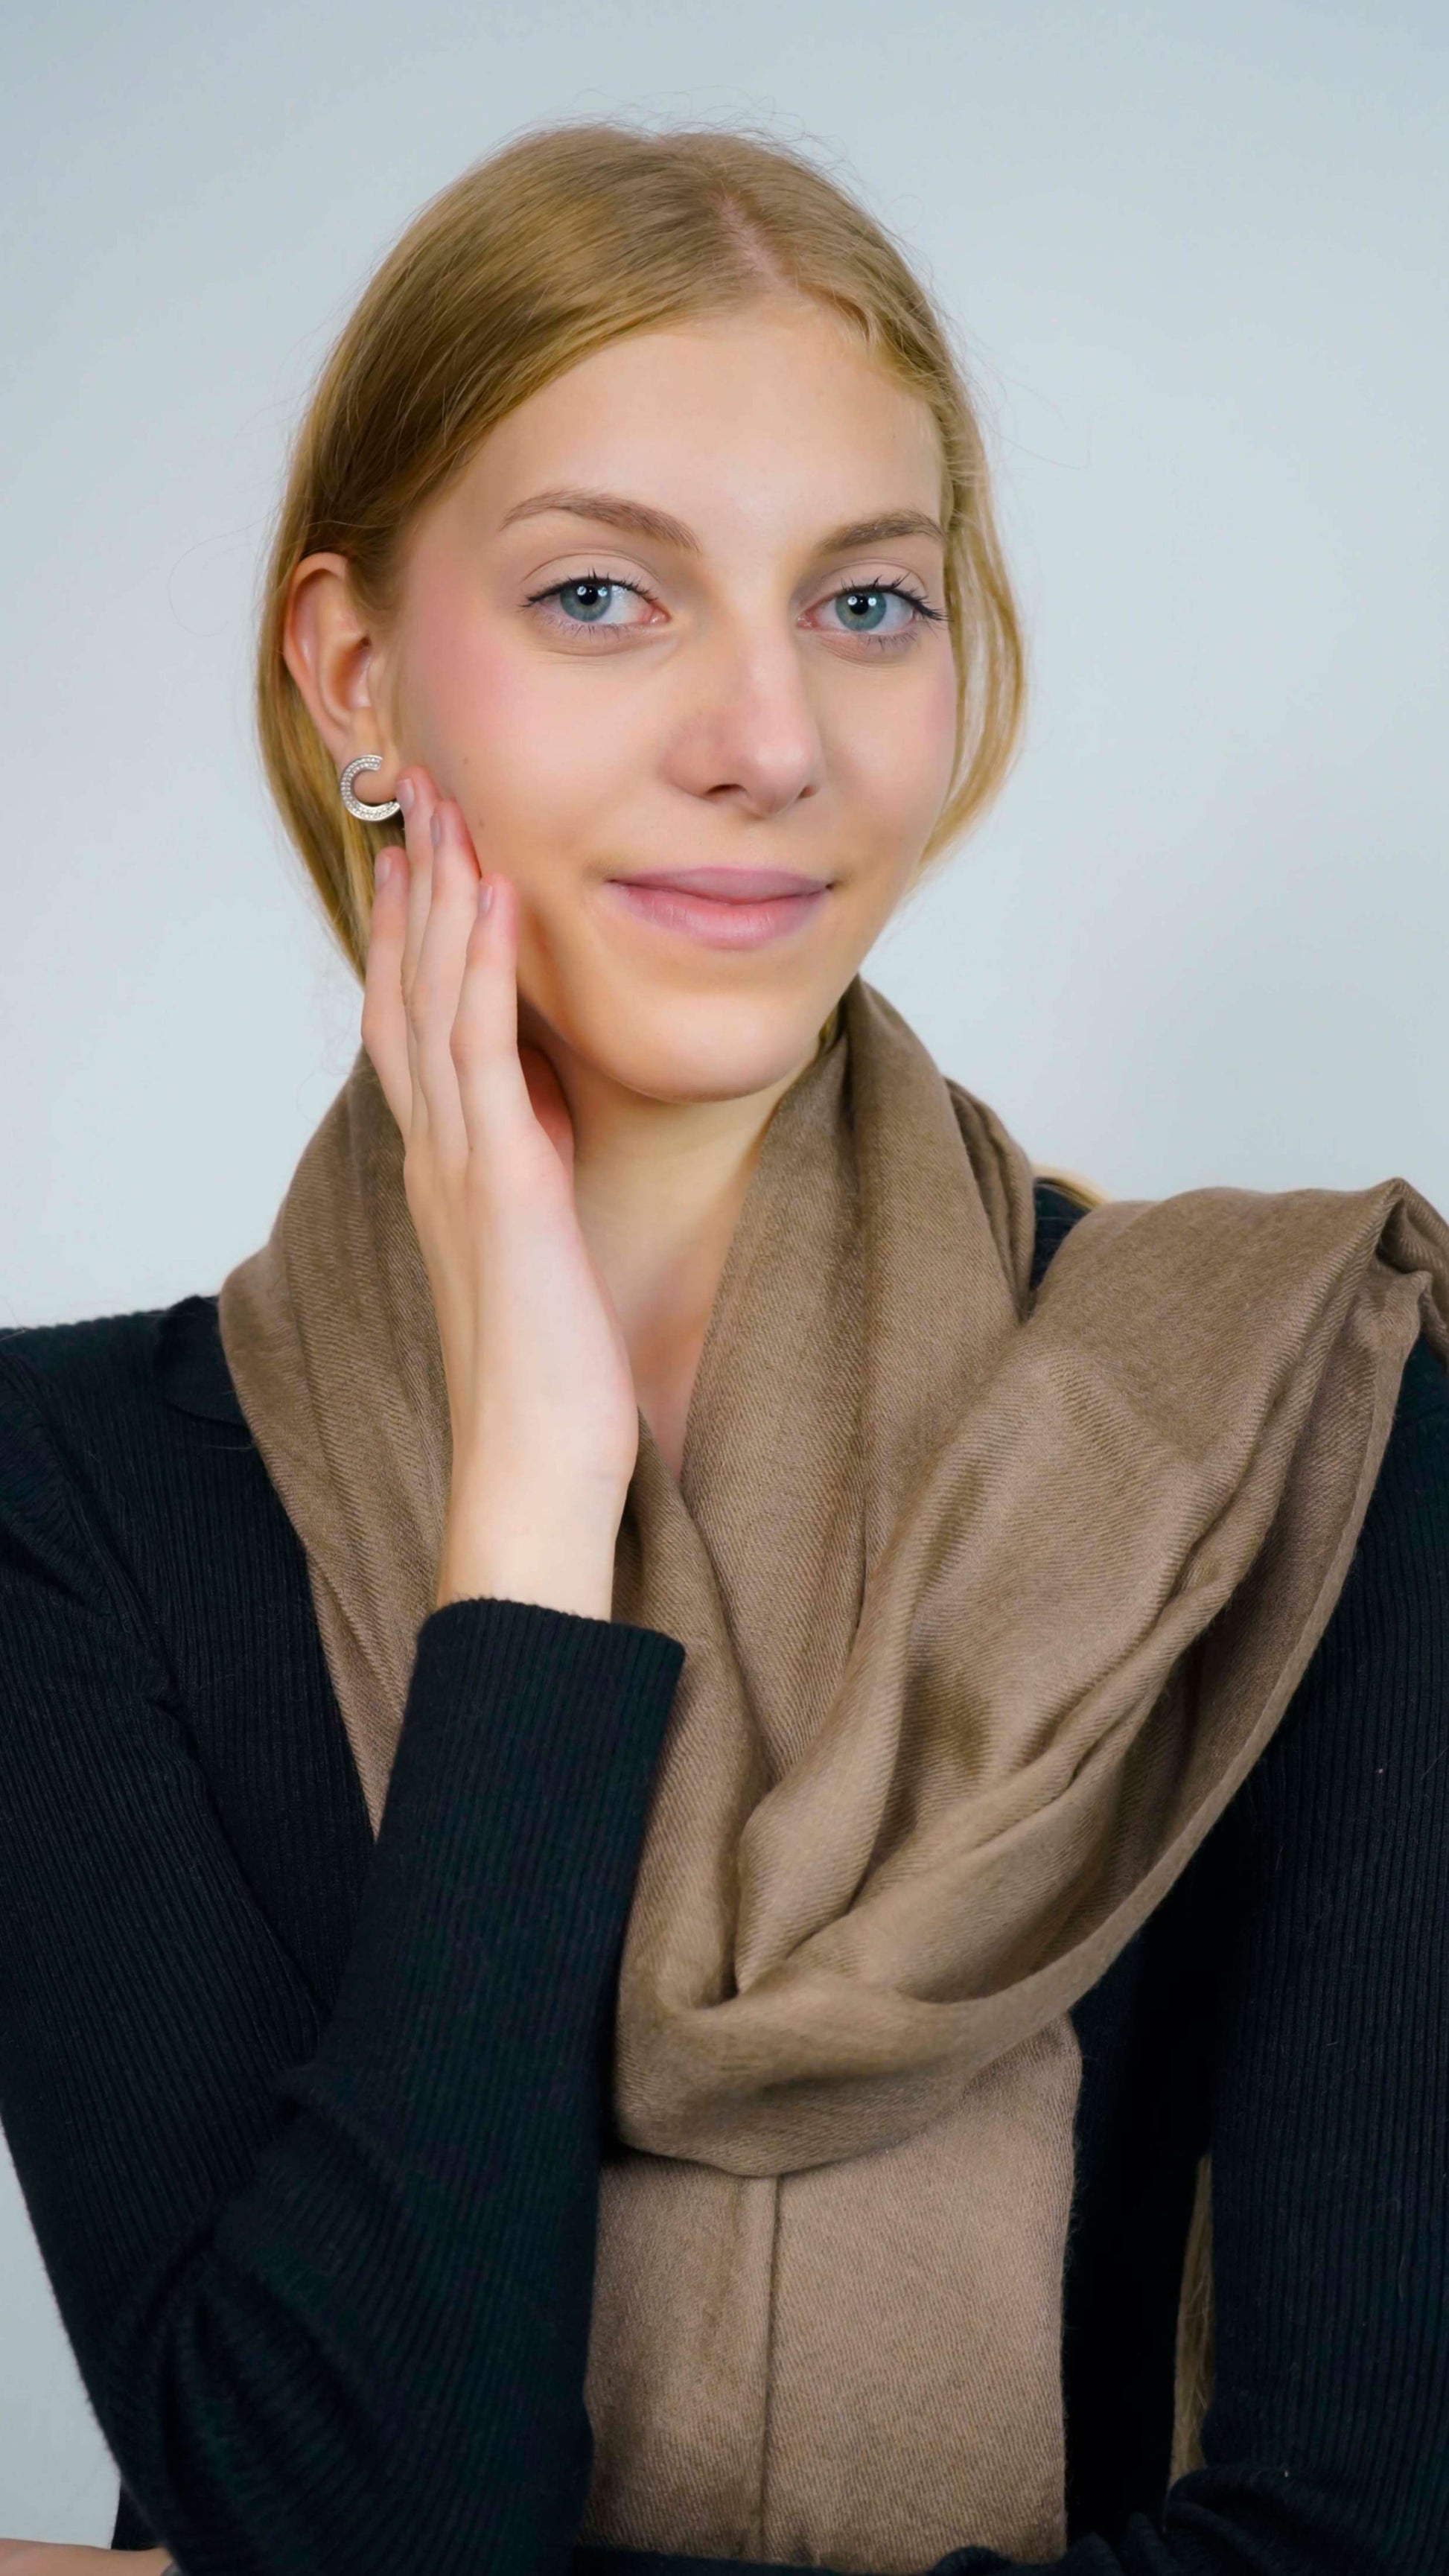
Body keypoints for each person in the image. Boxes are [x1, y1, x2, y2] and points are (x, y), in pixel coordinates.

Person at [0, 121, 1445, 2576]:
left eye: (865, 604)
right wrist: (529, 1516)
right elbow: (357, 2510)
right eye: (603, 595)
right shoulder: (70, 1499)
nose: (769, 738)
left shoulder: (1291, 1413)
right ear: (357, 674)